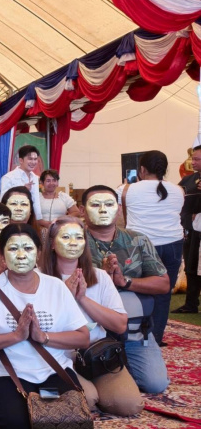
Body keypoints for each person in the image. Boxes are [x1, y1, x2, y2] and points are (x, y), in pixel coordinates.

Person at [0, 223, 90, 429]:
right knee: (18, 422)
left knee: (68, 420)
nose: (21, 255)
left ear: (39, 252)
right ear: (2, 255)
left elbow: (83, 337)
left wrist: (43, 337)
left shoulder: (55, 286)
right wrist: (15, 336)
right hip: (6, 373)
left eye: (28, 248)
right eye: (13, 249)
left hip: (53, 369)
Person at [40, 216, 143, 416]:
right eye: (66, 237)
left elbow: (120, 325)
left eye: (79, 238)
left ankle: (96, 389)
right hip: (58, 354)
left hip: (97, 354)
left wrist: (83, 299)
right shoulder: (38, 277)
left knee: (129, 405)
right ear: (52, 244)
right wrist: (66, 297)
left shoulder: (100, 276)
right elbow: (37, 329)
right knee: (87, 399)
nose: (72, 243)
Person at [82, 185, 170, 393]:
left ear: (119, 209)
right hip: (92, 331)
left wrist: (126, 282)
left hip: (134, 332)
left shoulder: (137, 240)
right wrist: (100, 278)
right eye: (95, 205)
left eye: (109, 204)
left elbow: (163, 283)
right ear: (82, 209)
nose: (103, 210)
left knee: (155, 385)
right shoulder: (73, 241)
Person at [117, 151, 184, 345]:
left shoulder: (127, 189)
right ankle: (156, 338)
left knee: (136, 288)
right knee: (164, 291)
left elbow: (118, 215)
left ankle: (136, 332)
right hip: (173, 244)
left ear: (142, 169)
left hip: (140, 244)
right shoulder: (178, 190)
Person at [176, 145, 201, 313]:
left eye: (198, 159)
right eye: (193, 158)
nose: (193, 162)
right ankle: (191, 304)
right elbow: (178, 203)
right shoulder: (187, 181)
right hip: (192, 231)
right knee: (190, 266)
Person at [0, 145, 43, 221]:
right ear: (21, 160)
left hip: (31, 218)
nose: (33, 162)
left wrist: (39, 218)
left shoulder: (35, 178)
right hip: (14, 219)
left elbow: (36, 201)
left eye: (35, 159)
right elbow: (3, 201)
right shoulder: (8, 178)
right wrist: (22, 190)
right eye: (30, 159)